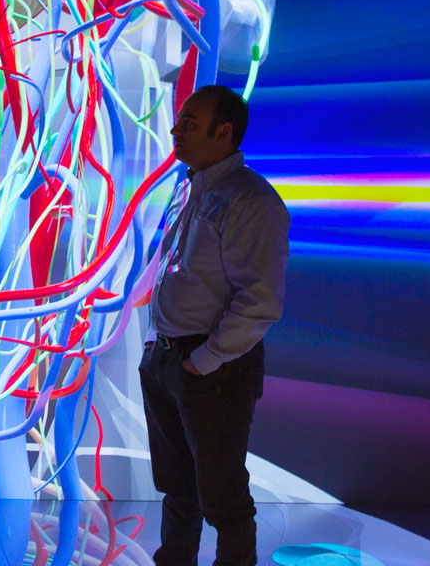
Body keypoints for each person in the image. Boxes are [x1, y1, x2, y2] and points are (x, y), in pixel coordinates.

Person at [140, 84, 289, 566]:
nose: (174, 129)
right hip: (168, 358)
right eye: (179, 119)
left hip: (211, 367)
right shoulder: (192, 186)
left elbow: (258, 301)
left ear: (223, 132)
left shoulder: (251, 201)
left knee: (223, 499)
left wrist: (203, 361)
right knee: (177, 490)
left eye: (189, 122)